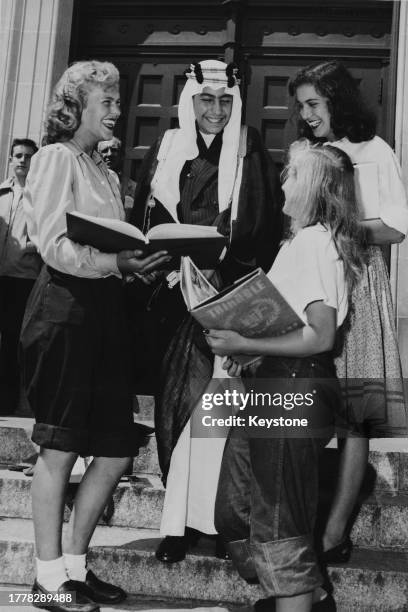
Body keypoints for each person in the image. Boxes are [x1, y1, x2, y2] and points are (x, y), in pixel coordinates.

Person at [20, 60, 170, 612]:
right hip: (64, 311)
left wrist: (137, 262)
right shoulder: (57, 158)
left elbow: (108, 249)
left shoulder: (104, 171)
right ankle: (45, 577)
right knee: (59, 446)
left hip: (105, 313)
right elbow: (54, 245)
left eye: (117, 100)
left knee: (114, 449)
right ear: (76, 106)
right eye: (105, 101)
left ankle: (76, 567)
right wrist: (116, 261)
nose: (116, 111)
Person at [129, 59, 283, 562]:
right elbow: (145, 221)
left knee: (215, 415)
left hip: (228, 297)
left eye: (225, 101)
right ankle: (177, 526)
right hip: (173, 300)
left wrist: (224, 267)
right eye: (205, 100)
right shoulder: (168, 147)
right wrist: (164, 264)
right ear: (189, 102)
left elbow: (263, 221)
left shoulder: (251, 148)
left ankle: (220, 521)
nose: (215, 111)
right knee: (175, 410)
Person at [209, 141, 366, 612]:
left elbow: (320, 337)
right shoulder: (299, 241)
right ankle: (310, 595)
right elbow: (288, 320)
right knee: (234, 514)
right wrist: (250, 350)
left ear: (316, 188)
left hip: (294, 387)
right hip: (271, 385)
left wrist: (245, 344)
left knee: (278, 524)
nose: (283, 180)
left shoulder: (318, 243)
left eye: (293, 173)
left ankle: (297, 596)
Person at [290, 60, 408, 561]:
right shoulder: (310, 151)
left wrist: (341, 228)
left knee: (352, 417)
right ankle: (299, 524)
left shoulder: (375, 151)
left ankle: (334, 533)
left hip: (358, 286)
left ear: (337, 101)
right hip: (313, 285)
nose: (306, 113)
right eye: (301, 106)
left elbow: (397, 227)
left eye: (313, 104)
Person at [0, 138, 40, 415]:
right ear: (11, 159)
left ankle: (7, 401)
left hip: (23, 278)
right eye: (18, 155)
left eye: (28, 156)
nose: (22, 160)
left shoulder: (41, 196)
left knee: (13, 342)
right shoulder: (1, 192)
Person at [97, 137, 136, 214]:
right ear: (98, 155)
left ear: (122, 155)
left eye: (114, 150)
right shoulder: (90, 180)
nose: (109, 154)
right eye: (105, 151)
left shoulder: (130, 186)